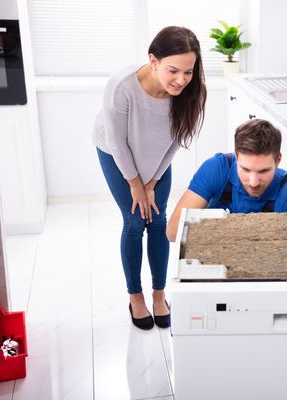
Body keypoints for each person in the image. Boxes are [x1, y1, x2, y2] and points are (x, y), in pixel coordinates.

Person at [93, 26, 206, 330]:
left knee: (157, 221)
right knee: (133, 222)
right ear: (153, 60)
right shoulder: (123, 86)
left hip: (157, 159)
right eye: (173, 70)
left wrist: (152, 182)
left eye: (188, 71)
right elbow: (117, 142)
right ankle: (135, 296)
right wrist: (135, 185)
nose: (181, 80)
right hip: (117, 154)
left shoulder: (188, 91)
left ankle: (159, 294)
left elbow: (176, 141)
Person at [166, 118, 287, 241]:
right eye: (246, 170)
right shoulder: (216, 168)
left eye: (263, 171)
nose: (254, 182)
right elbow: (172, 232)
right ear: (236, 156)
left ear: (278, 161)